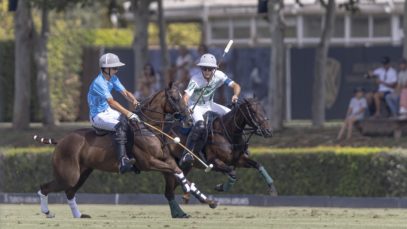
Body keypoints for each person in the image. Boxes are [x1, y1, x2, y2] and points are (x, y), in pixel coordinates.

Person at [179, 53, 241, 168]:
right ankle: (187, 153)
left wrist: (235, 95)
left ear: (214, 69)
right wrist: (186, 108)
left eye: (210, 69)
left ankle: (238, 145)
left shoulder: (219, 75)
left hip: (210, 104)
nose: (207, 71)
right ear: (201, 68)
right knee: (200, 125)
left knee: (233, 116)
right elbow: (185, 98)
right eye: (204, 68)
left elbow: (236, 85)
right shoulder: (195, 79)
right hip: (195, 106)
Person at [87, 53, 141, 174]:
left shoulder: (113, 78)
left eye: (117, 68)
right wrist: (128, 113)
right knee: (120, 126)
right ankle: (122, 162)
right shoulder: (99, 82)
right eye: (115, 68)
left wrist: (135, 101)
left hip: (108, 111)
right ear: (106, 69)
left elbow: (125, 93)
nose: (117, 70)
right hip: (98, 116)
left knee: (129, 123)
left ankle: (131, 155)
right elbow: (111, 102)